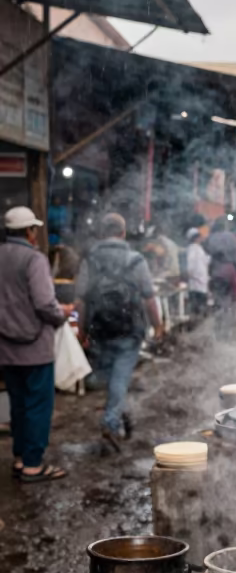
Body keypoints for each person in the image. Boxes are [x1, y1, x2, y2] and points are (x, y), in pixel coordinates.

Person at [75, 213, 162, 452]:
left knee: (112, 378)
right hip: (130, 329)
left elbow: (80, 301)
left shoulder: (90, 260)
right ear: (123, 233)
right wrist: (158, 325)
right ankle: (110, 424)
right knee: (120, 378)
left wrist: (81, 332)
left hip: (99, 329)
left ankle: (123, 415)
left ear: (102, 233)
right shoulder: (135, 260)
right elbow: (149, 297)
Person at [0, 206, 72, 482]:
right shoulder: (34, 259)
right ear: (30, 231)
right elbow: (44, 302)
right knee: (38, 406)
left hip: (6, 347)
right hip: (34, 348)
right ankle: (33, 465)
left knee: (18, 404)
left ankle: (20, 458)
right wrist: (61, 314)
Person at [185, 228, 210, 318]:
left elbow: (204, 261)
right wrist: (190, 274)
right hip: (196, 283)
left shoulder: (199, 248)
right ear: (195, 238)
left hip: (201, 282)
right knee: (198, 307)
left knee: (201, 305)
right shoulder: (192, 249)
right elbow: (190, 265)